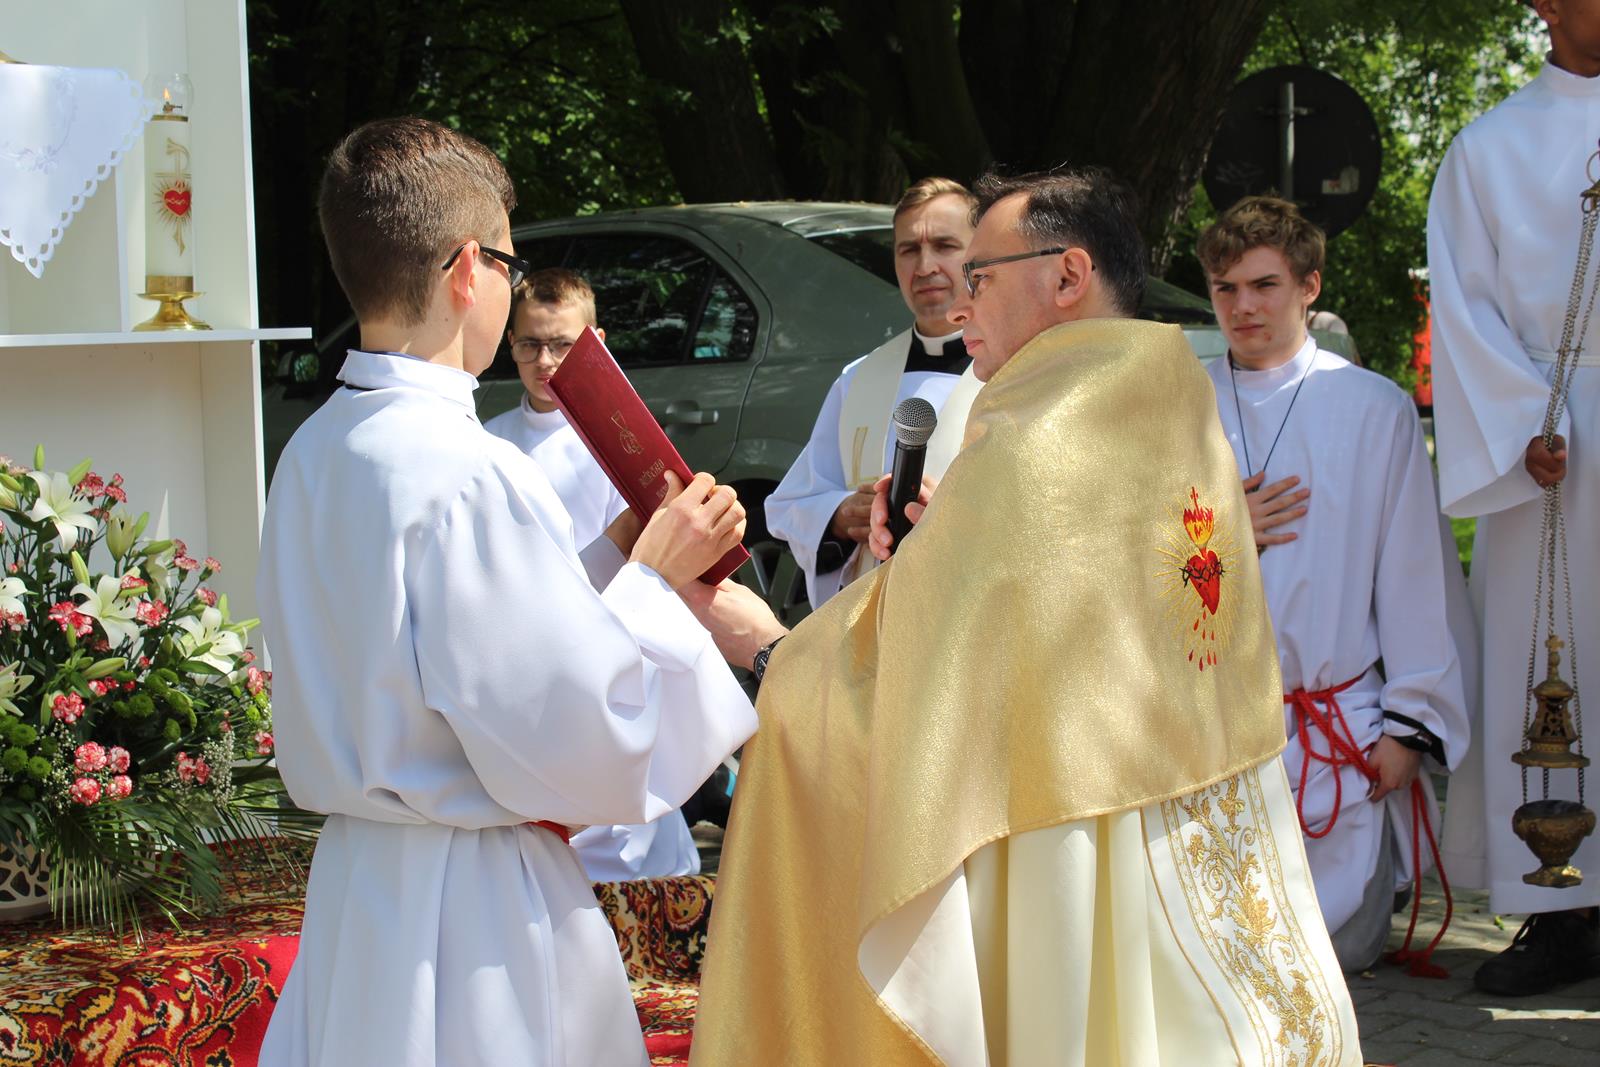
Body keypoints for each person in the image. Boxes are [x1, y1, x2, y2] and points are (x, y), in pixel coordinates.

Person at [688, 169, 1362, 1066]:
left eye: (980, 274)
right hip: (1186, 818)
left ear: (1068, 275)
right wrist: (944, 545)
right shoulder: (1169, 399)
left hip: (1068, 843)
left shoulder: (1033, 446)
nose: (960, 299)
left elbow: (909, 694)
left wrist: (772, 651)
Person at [256, 116, 758, 1067]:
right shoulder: (467, 467)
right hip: (473, 908)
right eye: (507, 261)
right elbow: (574, 730)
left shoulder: (313, 449)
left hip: (359, 887)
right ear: (464, 270)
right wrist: (657, 577)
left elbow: (448, 651)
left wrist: (618, 557)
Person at [1197, 195, 1471, 973]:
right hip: (1212, 729)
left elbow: (1416, 575)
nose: (1243, 307)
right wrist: (1224, 527)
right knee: (1220, 961)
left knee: (1332, 958)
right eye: (1225, 288)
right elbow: (1125, 562)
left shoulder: (1373, 408)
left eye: (1265, 285)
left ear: (1309, 286)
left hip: (1337, 730)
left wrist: (1409, 726)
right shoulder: (1180, 405)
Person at [1427, 0, 1600, 996]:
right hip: (1549, 443)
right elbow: (1465, 305)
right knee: (1550, 670)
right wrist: (1524, 426)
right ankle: (1560, 910)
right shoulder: (1487, 150)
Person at [484, 268, 701, 882]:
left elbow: (654, 549)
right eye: (530, 344)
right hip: (528, 657)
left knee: (628, 815)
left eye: (562, 344)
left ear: (596, 344)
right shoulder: (488, 442)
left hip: (615, 642)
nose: (545, 361)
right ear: (509, 343)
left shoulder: (622, 439)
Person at [764, 177, 982, 609]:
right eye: (908, 250)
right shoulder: (860, 378)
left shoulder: (1015, 372)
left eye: (944, 246)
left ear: (978, 256)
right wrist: (840, 515)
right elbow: (789, 506)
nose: (925, 266)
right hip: (873, 613)